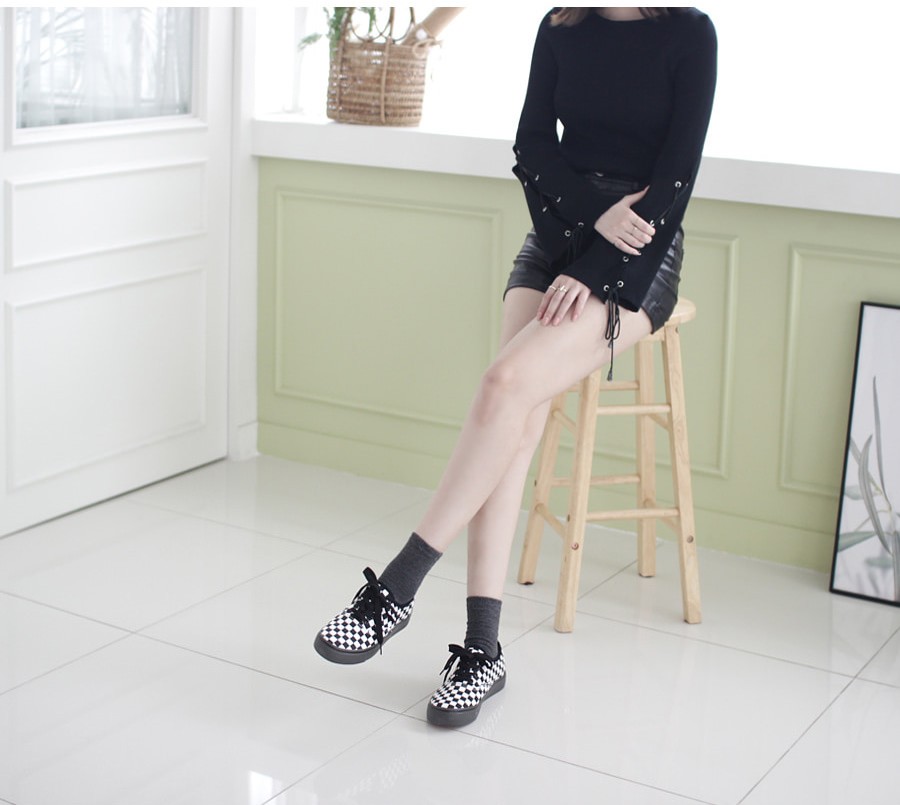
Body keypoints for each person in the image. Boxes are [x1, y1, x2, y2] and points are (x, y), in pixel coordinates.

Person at [314, 6, 717, 728]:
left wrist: (597, 265)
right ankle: (482, 652)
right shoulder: (561, 26)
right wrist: (587, 221)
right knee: (514, 418)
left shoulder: (689, 32)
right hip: (560, 232)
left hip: (639, 254)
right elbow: (532, 147)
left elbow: (675, 179)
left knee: (503, 384)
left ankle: (397, 588)